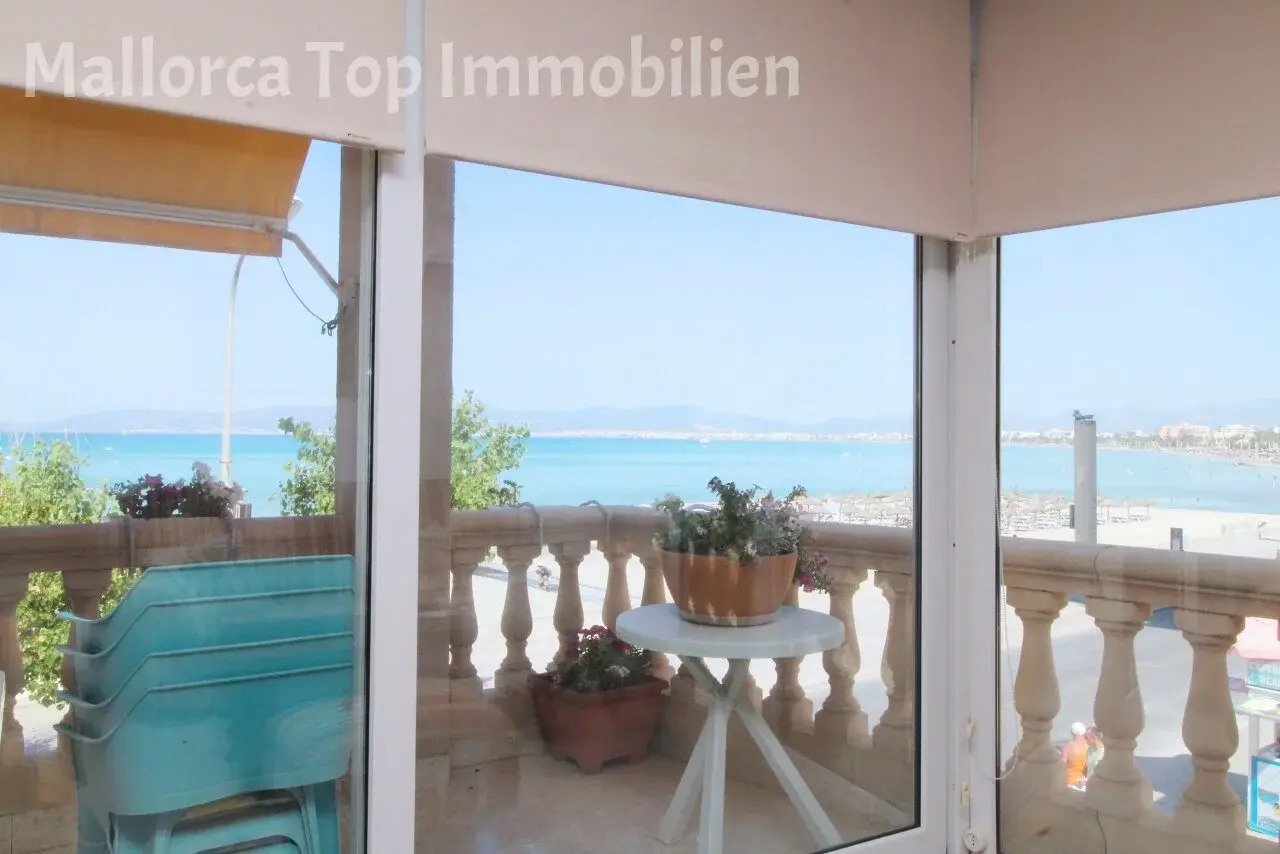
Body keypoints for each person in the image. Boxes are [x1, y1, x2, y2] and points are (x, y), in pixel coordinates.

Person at [1062, 721, 1089, 789]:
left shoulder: (1067, 747)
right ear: (1084, 732)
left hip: (1070, 782)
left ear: (1072, 733)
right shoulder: (1088, 746)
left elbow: (1062, 767)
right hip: (1083, 782)